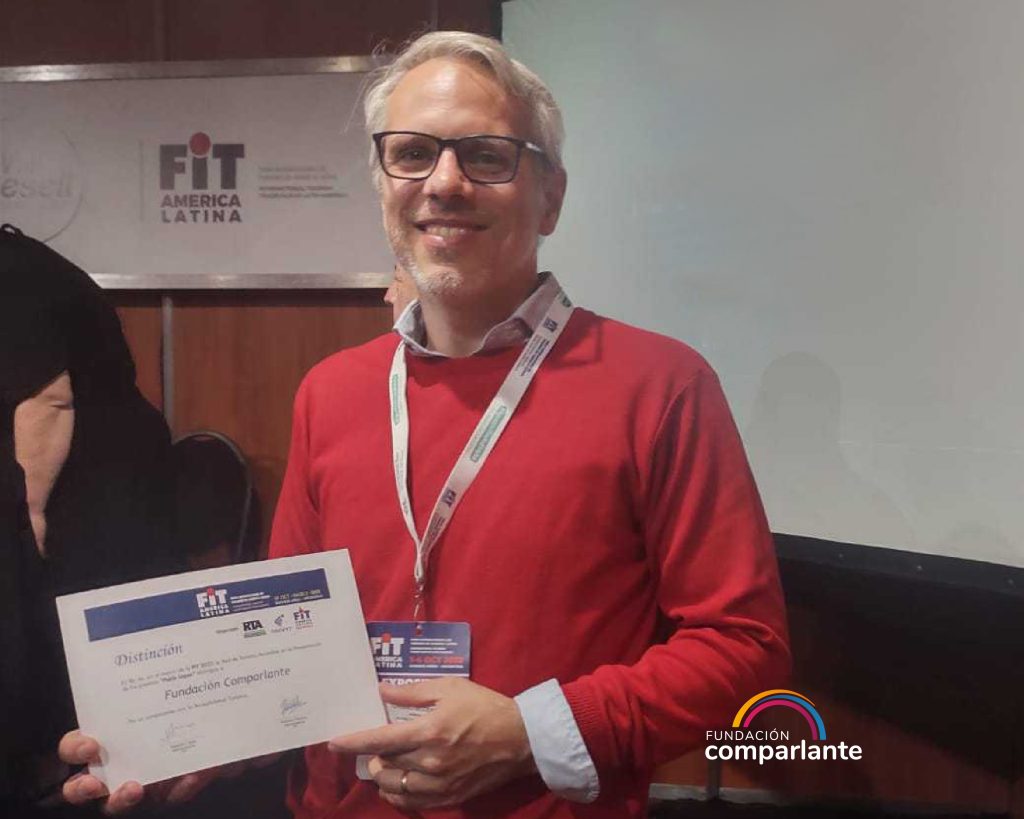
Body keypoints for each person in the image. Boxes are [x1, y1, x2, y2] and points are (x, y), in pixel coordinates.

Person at [61, 31, 789, 818]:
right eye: (411, 153)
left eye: (485, 154)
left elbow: (744, 647)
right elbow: (286, 651)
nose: (444, 182)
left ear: (552, 195)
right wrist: (200, 741)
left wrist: (529, 730)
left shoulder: (662, 385)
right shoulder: (331, 392)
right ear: (382, 184)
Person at [1, 224, 183, 816]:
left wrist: (28, 524)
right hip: (111, 471)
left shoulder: (11, 269)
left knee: (70, 658)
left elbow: (47, 399)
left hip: (89, 484)